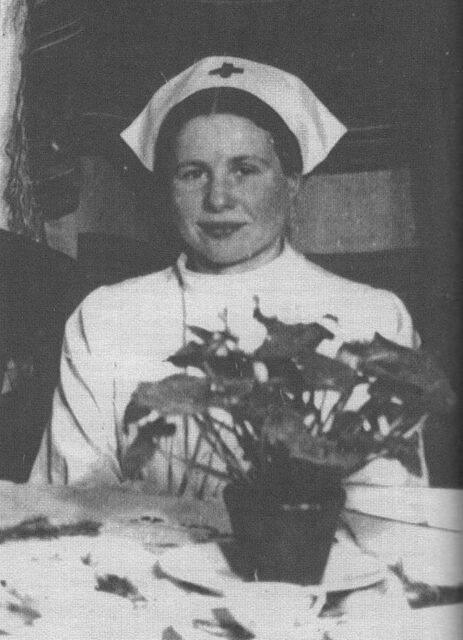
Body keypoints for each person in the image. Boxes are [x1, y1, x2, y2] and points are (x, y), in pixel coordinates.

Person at [29, 56, 426, 493]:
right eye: (193, 173)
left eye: (245, 170)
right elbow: (74, 500)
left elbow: (386, 510)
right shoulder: (105, 316)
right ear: (167, 188)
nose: (218, 199)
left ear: (292, 181)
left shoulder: (374, 317)